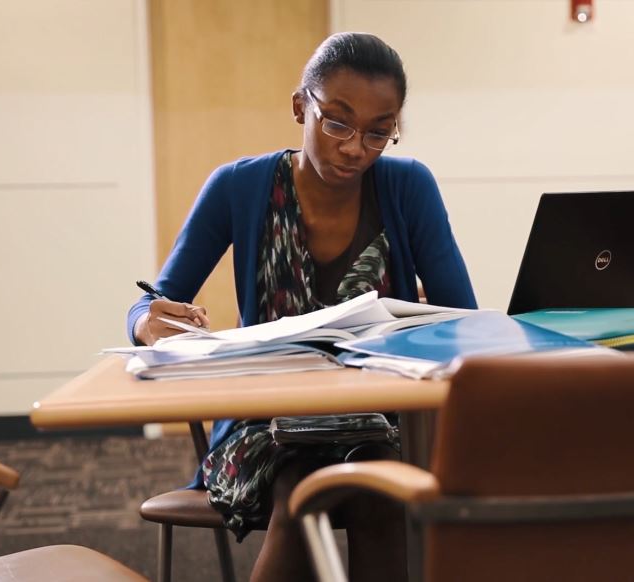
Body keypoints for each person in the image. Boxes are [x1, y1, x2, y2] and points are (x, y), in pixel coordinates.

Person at [126, 32, 476, 581]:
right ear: (300, 108)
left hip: (381, 420)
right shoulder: (239, 187)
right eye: (337, 121)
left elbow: (464, 319)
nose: (355, 147)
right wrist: (146, 321)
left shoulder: (408, 186)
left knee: (378, 491)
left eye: (379, 131)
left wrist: (425, 319)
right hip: (268, 425)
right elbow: (153, 303)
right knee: (300, 492)